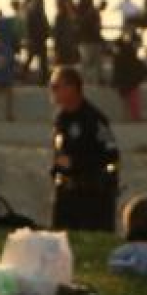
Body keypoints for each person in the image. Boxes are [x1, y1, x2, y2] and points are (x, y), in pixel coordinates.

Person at [48, 65, 119, 230]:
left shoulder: (95, 120)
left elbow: (111, 156)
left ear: (72, 88)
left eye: (57, 87)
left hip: (92, 197)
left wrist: (76, 163)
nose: (52, 92)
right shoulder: (61, 119)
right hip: (66, 196)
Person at [111, 34, 147, 122]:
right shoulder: (129, 53)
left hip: (123, 82)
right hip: (132, 81)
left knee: (126, 100)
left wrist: (114, 82)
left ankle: (127, 117)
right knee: (134, 99)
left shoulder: (118, 56)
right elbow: (137, 65)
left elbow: (117, 71)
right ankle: (135, 116)